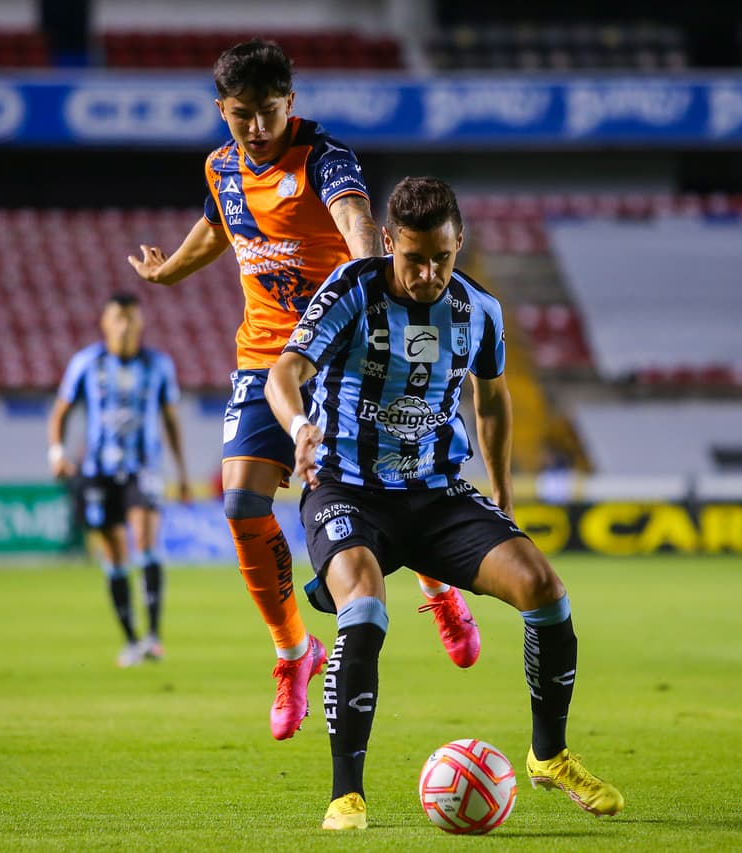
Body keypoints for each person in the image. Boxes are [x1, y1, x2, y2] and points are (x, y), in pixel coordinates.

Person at [128, 38, 480, 741]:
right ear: (221, 110)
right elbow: (218, 230)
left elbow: (355, 222)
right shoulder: (220, 167)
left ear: (292, 102)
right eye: (241, 115)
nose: (257, 127)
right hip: (265, 359)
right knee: (240, 499)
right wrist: (169, 273)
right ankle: (293, 652)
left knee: (387, 483)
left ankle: (436, 586)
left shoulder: (326, 159)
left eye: (269, 111)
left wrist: (372, 281)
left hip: (340, 351)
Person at [265, 177, 625, 830]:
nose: (429, 273)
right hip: (348, 488)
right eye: (414, 259)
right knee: (365, 605)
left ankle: (549, 755)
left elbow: (491, 399)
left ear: (459, 242)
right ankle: (347, 793)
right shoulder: (351, 291)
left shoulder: (478, 309)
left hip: (436, 494)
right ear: (386, 243)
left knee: (546, 590)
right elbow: (283, 372)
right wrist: (300, 428)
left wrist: (505, 494)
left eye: (443, 257)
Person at [48, 293, 190, 667]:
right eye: (118, 318)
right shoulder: (87, 363)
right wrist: (57, 453)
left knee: (145, 539)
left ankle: (154, 636)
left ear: (141, 323)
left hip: (144, 468)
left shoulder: (158, 365)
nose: (125, 326)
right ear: (105, 323)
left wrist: (183, 472)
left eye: (131, 318)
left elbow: (171, 420)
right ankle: (130, 640)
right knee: (113, 555)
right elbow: (61, 412)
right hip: (97, 472)